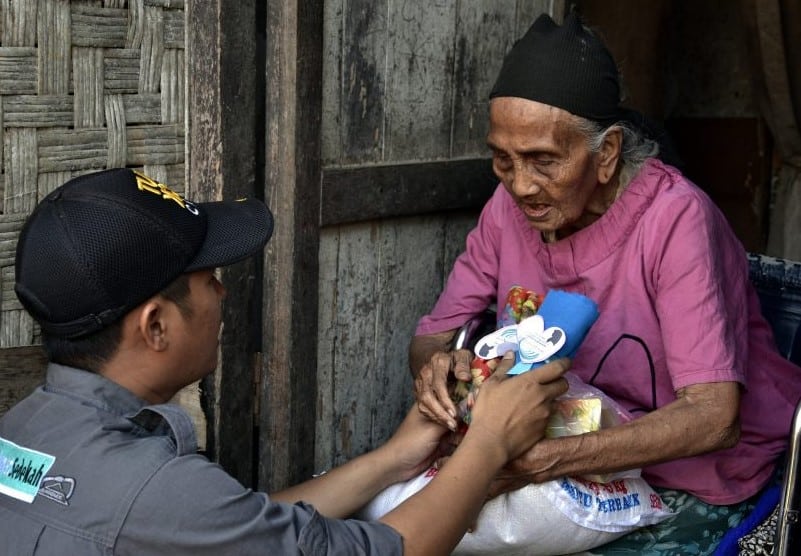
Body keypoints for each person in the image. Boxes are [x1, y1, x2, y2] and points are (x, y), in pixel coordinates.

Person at [0, 168, 570, 555]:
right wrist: (490, 439)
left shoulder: (24, 431)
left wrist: (395, 458)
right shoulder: (156, 490)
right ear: (156, 325)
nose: (222, 295)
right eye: (208, 281)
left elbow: (237, 526)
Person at [409, 10, 801, 553]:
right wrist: (441, 367)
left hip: (693, 475)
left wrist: (548, 461)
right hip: (562, 454)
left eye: (544, 161)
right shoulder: (508, 209)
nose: (521, 185)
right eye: (503, 160)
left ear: (607, 154)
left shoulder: (675, 219)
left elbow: (713, 418)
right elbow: (436, 335)